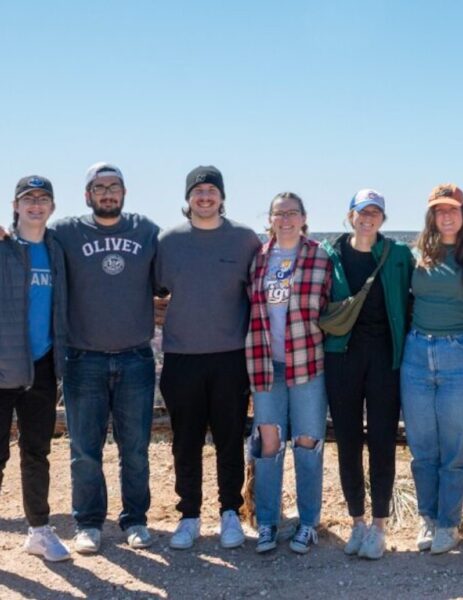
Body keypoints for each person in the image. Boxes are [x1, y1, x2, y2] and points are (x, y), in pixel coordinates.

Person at [52, 163, 159, 553]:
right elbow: (28, 241)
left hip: (136, 358)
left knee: (135, 448)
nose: (108, 193)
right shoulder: (65, 232)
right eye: (100, 188)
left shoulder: (146, 230)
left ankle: (135, 520)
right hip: (84, 359)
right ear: (87, 194)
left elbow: (168, 276)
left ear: (125, 193)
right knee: (84, 450)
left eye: (115, 187)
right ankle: (89, 523)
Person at [156, 166, 260, 550]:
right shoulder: (168, 241)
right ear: (188, 198)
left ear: (222, 197)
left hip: (231, 357)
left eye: (211, 190)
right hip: (182, 356)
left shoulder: (244, 239)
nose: (205, 197)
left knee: (230, 439)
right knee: (185, 441)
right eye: (198, 190)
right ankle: (189, 516)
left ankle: (230, 513)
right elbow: (154, 288)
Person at [321, 189, 413, 560]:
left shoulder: (399, 255)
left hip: (384, 359)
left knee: (381, 440)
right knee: (346, 440)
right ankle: (356, 521)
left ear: (383, 219)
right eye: (362, 212)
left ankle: (379, 525)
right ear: (350, 215)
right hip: (341, 358)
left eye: (375, 212)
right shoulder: (330, 255)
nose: (368, 218)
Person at [401, 183, 463, 555]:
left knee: (455, 447)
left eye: (452, 209)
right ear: (431, 215)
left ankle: (449, 523)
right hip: (417, 352)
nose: (446, 216)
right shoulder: (418, 252)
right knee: (422, 447)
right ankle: (429, 518)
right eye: (439, 210)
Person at [246, 191, 332, 554]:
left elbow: (331, 305)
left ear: (303, 217)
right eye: (279, 214)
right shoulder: (258, 259)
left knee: (308, 441)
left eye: (292, 213)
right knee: (268, 445)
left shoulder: (319, 256)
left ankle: (308, 522)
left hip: (308, 362)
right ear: (269, 219)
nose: (285, 220)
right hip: (266, 362)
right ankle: (268, 522)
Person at [0, 176, 69, 561]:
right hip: (2, 365)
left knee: (37, 451)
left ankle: (39, 530)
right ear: (16, 205)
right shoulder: (3, 247)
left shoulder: (56, 250)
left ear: (52, 208)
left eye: (44, 199)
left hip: (42, 364)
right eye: (29, 198)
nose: (36, 205)